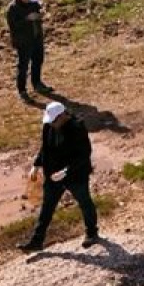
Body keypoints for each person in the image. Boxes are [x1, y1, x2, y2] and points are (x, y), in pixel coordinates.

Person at [18, 102, 100, 252]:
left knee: (84, 202)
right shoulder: (49, 126)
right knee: (47, 207)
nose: (52, 124)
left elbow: (83, 155)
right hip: (53, 175)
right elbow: (45, 148)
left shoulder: (77, 128)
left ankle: (92, 233)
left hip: (75, 174)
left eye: (54, 120)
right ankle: (37, 240)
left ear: (63, 116)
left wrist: (66, 171)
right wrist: (36, 165)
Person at [6, 0, 53, 102]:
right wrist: (27, 19)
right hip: (23, 42)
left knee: (38, 60)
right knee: (23, 66)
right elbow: (13, 26)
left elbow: (39, 8)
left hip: (36, 38)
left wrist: (41, 13)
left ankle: (37, 83)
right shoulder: (13, 8)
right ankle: (22, 91)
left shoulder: (33, 3)